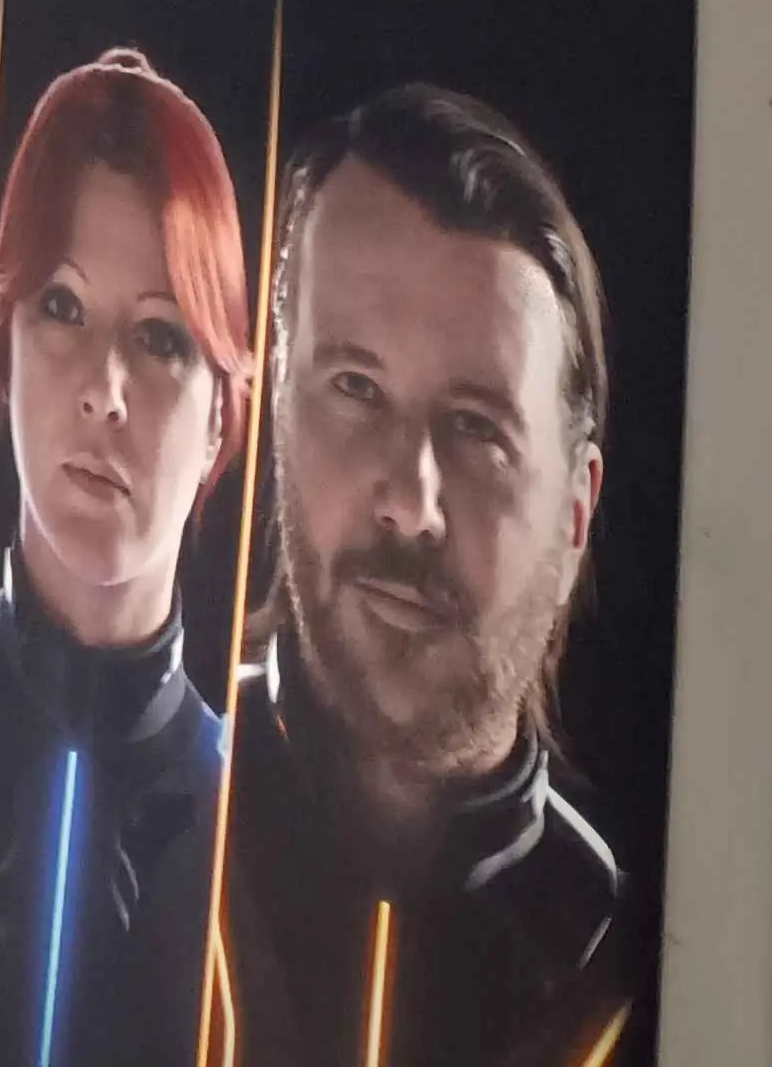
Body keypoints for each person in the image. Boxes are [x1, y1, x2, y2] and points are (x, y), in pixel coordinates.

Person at [222, 86, 627, 1067]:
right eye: (356, 387)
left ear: (576, 512)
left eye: (478, 427)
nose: (410, 500)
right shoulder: (120, 818)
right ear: (279, 410)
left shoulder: (630, 960)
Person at [0, 50, 254, 1067]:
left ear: (222, 414)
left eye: (159, 336)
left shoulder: (266, 828)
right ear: (3, 352)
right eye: (62, 306)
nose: (106, 385)